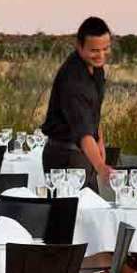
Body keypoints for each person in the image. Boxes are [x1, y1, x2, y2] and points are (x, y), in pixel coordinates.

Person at [41, 16, 113, 184]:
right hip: (65, 156)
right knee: (78, 208)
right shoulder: (72, 80)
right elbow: (83, 133)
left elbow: (93, 113)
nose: (101, 55)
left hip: (85, 153)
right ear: (79, 46)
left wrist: (100, 143)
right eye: (95, 50)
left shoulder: (97, 69)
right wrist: (101, 167)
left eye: (106, 48)